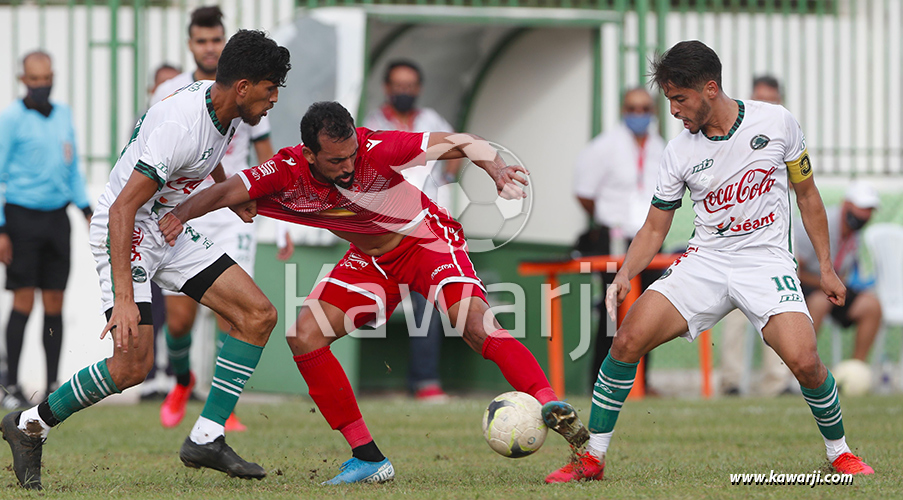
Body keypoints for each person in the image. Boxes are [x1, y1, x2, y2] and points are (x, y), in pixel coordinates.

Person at [158, 101, 590, 485]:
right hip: (371, 262)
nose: (347, 167)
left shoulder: (377, 147)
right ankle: (367, 458)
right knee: (304, 335)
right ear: (308, 154)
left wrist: (491, 164)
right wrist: (178, 214)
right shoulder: (285, 171)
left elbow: (459, 140)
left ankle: (550, 405)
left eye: (351, 156)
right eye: (335, 160)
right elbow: (226, 190)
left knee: (475, 325)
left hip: (425, 242)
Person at [545, 40, 874, 483]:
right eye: (669, 100)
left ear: (711, 89)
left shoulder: (776, 123)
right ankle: (592, 458)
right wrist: (626, 273)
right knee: (625, 341)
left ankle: (840, 453)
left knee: (806, 361)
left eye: (679, 99)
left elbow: (808, 195)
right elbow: (654, 229)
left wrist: (827, 267)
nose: (674, 111)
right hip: (706, 261)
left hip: (766, 262)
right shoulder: (679, 151)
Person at [0, 30, 291, 490]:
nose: (274, 97)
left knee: (258, 314)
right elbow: (120, 208)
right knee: (132, 366)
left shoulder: (226, 108)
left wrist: (226, 192)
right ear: (243, 86)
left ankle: (207, 435)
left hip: (166, 224)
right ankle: (31, 424)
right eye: (271, 87)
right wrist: (123, 299)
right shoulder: (182, 123)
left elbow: (210, 153)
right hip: (127, 227)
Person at [149, 5, 293, 431]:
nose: (210, 48)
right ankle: (181, 380)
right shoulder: (172, 92)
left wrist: (280, 220)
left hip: (229, 212)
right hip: (182, 211)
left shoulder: (249, 91)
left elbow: (265, 155)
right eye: (202, 41)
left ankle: (221, 409)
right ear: (190, 44)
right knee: (179, 321)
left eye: (216, 40)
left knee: (236, 312)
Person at [363, 59, 461, 402]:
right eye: (398, 85)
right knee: (366, 300)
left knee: (428, 305)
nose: (404, 91)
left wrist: (447, 179)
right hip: (384, 226)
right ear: (387, 88)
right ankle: (351, 379)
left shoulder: (431, 120)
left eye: (410, 86)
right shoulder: (372, 123)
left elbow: (458, 148)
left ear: (417, 88)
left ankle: (425, 381)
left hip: (425, 226)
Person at [0, 51, 93, 409]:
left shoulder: (64, 115)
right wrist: (2, 228)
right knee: (23, 300)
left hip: (58, 218)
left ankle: (54, 384)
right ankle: (10, 386)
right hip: (21, 218)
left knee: (55, 300)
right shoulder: (10, 118)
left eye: (47, 78)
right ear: (23, 80)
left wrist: (86, 209)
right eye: (34, 79)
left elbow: (73, 169)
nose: (42, 85)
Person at [573, 87, 665, 390]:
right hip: (615, 237)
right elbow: (585, 193)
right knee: (613, 310)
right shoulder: (604, 147)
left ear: (652, 112)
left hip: (649, 236)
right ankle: (602, 380)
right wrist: (609, 218)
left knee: (648, 310)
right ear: (623, 110)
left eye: (644, 109)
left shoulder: (660, 147)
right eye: (632, 109)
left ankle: (642, 381)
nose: (638, 115)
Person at [719, 75, 794, 397]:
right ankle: (731, 382)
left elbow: (797, 185)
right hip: (734, 243)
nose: (766, 105)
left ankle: (776, 384)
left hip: (771, 245)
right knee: (733, 317)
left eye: (772, 99)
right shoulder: (735, 135)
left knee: (778, 315)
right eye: (760, 98)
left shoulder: (787, 132)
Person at [794, 181, 882, 362]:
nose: (865, 215)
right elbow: (793, 270)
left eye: (870, 210)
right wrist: (825, 283)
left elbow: (844, 272)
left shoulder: (853, 232)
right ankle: (802, 366)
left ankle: (856, 370)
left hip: (831, 287)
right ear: (846, 203)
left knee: (872, 306)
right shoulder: (814, 225)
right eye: (862, 208)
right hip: (804, 287)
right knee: (820, 302)